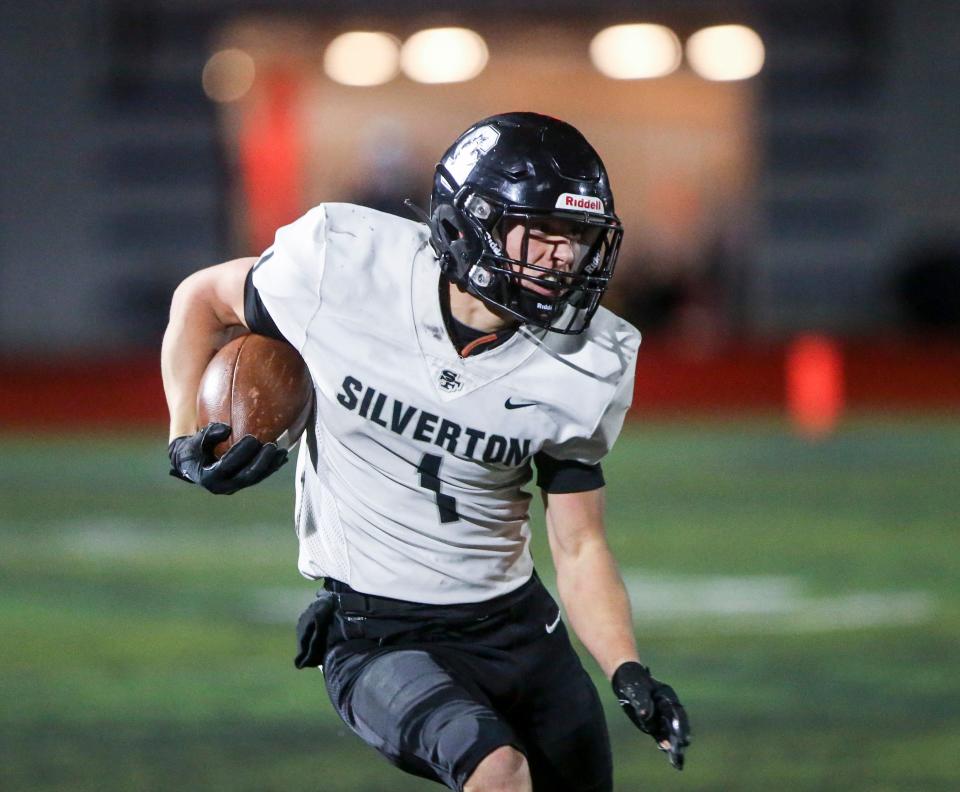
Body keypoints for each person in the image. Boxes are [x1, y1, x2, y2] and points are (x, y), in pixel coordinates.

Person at [162, 112, 690, 792]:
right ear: (471, 221)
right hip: (382, 635)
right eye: (545, 232)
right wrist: (184, 435)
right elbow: (200, 298)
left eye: (578, 237)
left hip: (519, 630)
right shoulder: (344, 267)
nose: (564, 256)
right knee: (497, 772)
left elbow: (580, 545)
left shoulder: (590, 362)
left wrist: (627, 669)